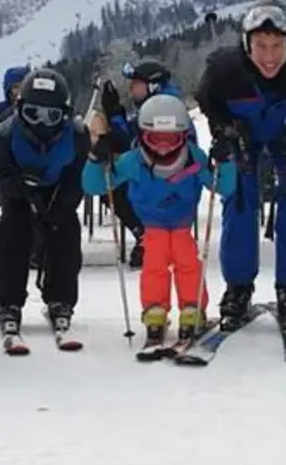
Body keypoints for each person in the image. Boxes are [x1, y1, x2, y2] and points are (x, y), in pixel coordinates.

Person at [193, 0, 286, 334]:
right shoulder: (226, 70)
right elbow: (207, 100)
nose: (269, 57)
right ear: (247, 44)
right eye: (260, 47)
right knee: (239, 198)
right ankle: (239, 287)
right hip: (246, 135)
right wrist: (223, 129)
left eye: (276, 46)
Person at [84, 94, 233, 357]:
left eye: (171, 140)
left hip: (181, 225)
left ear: (183, 136)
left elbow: (223, 186)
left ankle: (191, 308)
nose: (164, 149)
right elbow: (95, 186)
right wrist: (97, 159)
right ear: (143, 137)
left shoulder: (193, 158)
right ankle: (155, 309)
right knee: (154, 263)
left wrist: (226, 161)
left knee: (187, 260)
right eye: (156, 140)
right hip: (151, 226)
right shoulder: (133, 161)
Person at [0, 68, 88, 353]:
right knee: (11, 237)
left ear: (64, 114)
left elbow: (77, 177)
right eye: (33, 113)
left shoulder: (77, 135)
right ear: (20, 109)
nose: (42, 124)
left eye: (51, 116)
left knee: (65, 237)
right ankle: (7, 301)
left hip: (58, 190)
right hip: (21, 191)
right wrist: (15, 187)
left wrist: (59, 208)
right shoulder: (5, 134)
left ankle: (61, 298)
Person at [97, 59, 187, 268]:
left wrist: (114, 115)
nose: (131, 89)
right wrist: (116, 114)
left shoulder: (164, 109)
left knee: (114, 185)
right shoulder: (157, 105)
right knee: (114, 182)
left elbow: (135, 143)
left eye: (136, 84)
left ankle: (148, 236)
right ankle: (147, 235)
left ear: (153, 86)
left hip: (169, 178)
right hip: (161, 173)